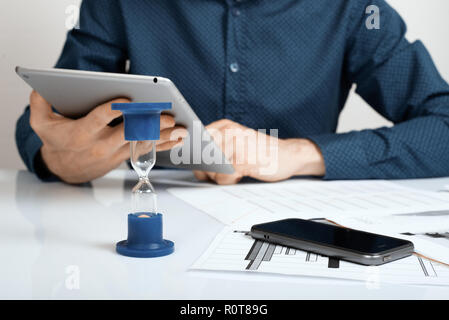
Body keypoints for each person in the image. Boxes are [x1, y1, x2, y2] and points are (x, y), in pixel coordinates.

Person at [16, 0, 449, 185]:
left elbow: (444, 128)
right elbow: (44, 124)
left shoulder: (354, 8)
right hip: (148, 240)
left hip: (301, 238)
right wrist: (57, 159)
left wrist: (295, 154)